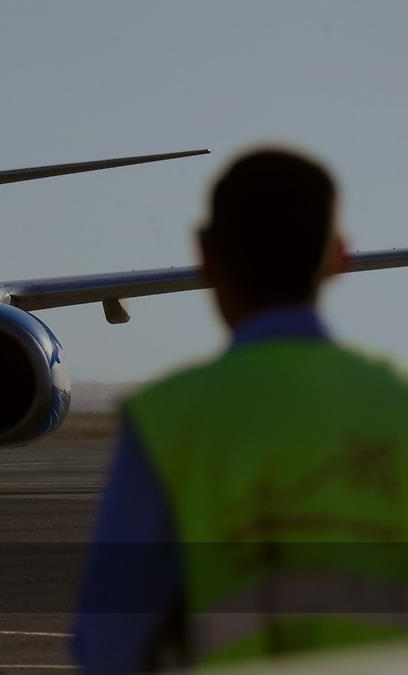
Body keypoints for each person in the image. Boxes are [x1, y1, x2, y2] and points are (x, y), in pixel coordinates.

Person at [72, 148, 408, 672]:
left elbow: (109, 643)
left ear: (206, 257)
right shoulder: (397, 403)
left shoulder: (169, 419)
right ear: (339, 257)